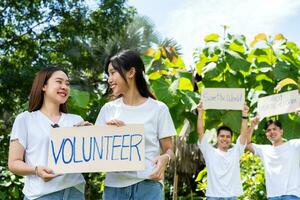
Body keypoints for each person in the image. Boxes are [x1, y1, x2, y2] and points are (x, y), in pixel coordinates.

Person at [95, 50, 176, 200]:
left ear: (131, 72)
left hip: (148, 187)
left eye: (113, 73)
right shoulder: (108, 110)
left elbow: (169, 150)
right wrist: (108, 133)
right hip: (114, 189)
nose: (109, 79)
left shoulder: (158, 108)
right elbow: (95, 151)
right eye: (108, 74)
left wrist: (165, 158)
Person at [8, 67, 89, 200]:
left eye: (67, 84)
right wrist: (36, 170)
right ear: (43, 86)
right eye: (59, 82)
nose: (64, 87)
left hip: (74, 193)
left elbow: (88, 159)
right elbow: (13, 163)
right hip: (40, 196)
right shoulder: (25, 119)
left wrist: (92, 135)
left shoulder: (77, 121)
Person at [197, 102, 249, 200]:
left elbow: (243, 135)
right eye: (222, 136)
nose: (225, 139)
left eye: (228, 136)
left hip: (231, 196)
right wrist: (200, 113)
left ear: (231, 139)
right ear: (217, 137)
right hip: (213, 196)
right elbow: (200, 133)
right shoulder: (209, 152)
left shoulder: (236, 152)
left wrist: (244, 115)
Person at [247, 118, 300, 200]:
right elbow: (246, 144)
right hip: (273, 196)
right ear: (266, 135)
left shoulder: (293, 145)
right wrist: (252, 126)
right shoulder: (264, 149)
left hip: (292, 194)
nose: (271, 132)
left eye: (274, 129)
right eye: (268, 130)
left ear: (281, 131)